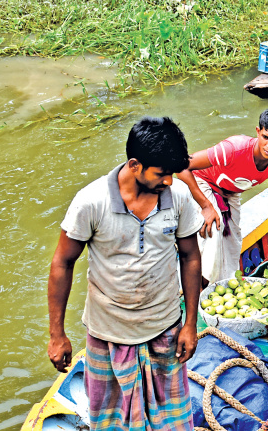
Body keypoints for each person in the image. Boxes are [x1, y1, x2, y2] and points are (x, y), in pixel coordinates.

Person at [47, 117, 203, 430]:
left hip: (165, 329)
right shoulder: (91, 203)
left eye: (173, 174)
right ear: (134, 165)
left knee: (172, 422)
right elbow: (62, 263)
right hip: (108, 334)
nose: (169, 182)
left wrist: (190, 324)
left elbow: (190, 257)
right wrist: (57, 335)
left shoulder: (180, 198)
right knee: (111, 423)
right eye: (161, 174)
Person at [176, 107, 268, 289]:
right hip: (202, 183)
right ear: (258, 132)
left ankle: (221, 288)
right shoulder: (234, 149)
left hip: (230, 193)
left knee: (233, 244)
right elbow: (181, 166)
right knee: (213, 233)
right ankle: (196, 289)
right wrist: (206, 206)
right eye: (266, 137)